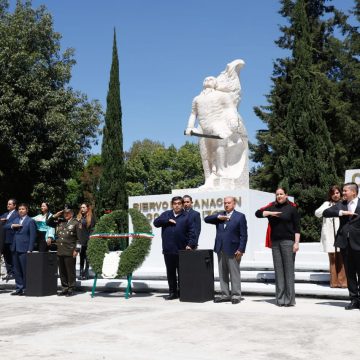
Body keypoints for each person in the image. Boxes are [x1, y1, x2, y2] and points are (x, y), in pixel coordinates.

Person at [255, 187, 300, 307]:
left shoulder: (292, 208)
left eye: (281, 194)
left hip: (288, 242)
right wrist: (270, 213)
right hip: (275, 243)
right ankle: (280, 299)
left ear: (286, 195)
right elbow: (257, 213)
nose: (279, 196)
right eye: (277, 194)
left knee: (289, 271)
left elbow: (297, 228)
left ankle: (289, 299)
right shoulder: (272, 207)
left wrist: (296, 243)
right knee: (278, 271)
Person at [323, 182, 360, 310]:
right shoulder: (341, 205)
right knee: (350, 274)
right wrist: (341, 213)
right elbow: (326, 212)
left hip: (359, 244)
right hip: (345, 244)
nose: (343, 193)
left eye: (345, 191)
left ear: (354, 192)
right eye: (343, 191)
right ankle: (354, 300)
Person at [204, 196, 248, 304]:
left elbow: (244, 235)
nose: (226, 205)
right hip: (220, 248)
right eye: (225, 203)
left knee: (234, 273)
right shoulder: (220, 215)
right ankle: (225, 294)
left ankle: (236, 295)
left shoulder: (240, 216)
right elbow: (206, 219)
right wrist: (219, 217)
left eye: (229, 203)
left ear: (234, 204)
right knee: (222, 273)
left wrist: (241, 249)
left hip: (233, 249)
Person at [153, 196, 197, 300]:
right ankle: (172, 293)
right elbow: (156, 223)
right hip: (168, 249)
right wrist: (167, 220)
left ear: (182, 205)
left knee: (182, 273)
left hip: (182, 250)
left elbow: (192, 232)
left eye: (179, 203)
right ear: (172, 205)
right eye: (174, 203)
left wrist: (190, 244)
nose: (177, 205)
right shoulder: (166, 214)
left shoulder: (187, 216)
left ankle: (182, 292)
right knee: (170, 272)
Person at [315, 186, 347, 288]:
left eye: (337, 193)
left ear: (340, 193)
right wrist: (329, 207)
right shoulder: (326, 204)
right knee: (332, 259)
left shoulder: (344, 203)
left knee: (342, 259)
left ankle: (343, 282)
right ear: (330, 195)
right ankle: (334, 282)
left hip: (341, 234)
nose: (335, 195)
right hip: (329, 235)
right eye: (333, 193)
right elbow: (317, 213)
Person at [47, 207, 81, 297]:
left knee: (70, 271)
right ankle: (64, 288)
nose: (66, 215)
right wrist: (55, 215)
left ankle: (71, 288)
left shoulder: (76, 223)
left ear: (72, 214)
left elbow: (79, 239)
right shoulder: (60, 221)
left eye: (68, 213)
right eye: (64, 213)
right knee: (62, 271)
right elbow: (48, 223)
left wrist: (77, 250)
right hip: (60, 250)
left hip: (70, 250)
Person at [4, 203, 36, 295]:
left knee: (24, 269)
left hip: (24, 248)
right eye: (19, 209)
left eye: (23, 209)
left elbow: (32, 236)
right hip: (15, 248)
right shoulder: (16, 219)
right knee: (16, 270)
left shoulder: (30, 221)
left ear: (27, 210)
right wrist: (12, 226)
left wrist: (30, 249)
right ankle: (19, 288)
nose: (21, 211)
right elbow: (5, 226)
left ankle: (26, 288)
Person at [0, 199, 18, 281]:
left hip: (12, 238)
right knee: (6, 257)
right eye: (8, 204)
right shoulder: (4, 214)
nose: (8, 205)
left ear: (14, 206)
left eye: (10, 204)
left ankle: (15, 273)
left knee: (13, 256)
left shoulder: (17, 214)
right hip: (4, 239)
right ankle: (9, 272)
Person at [76, 203, 96, 280]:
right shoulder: (79, 217)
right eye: (81, 207)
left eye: (84, 207)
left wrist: (91, 239)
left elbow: (92, 229)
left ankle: (86, 272)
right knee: (81, 256)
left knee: (87, 256)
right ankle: (81, 272)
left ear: (87, 208)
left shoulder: (91, 217)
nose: (82, 209)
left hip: (88, 239)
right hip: (80, 240)